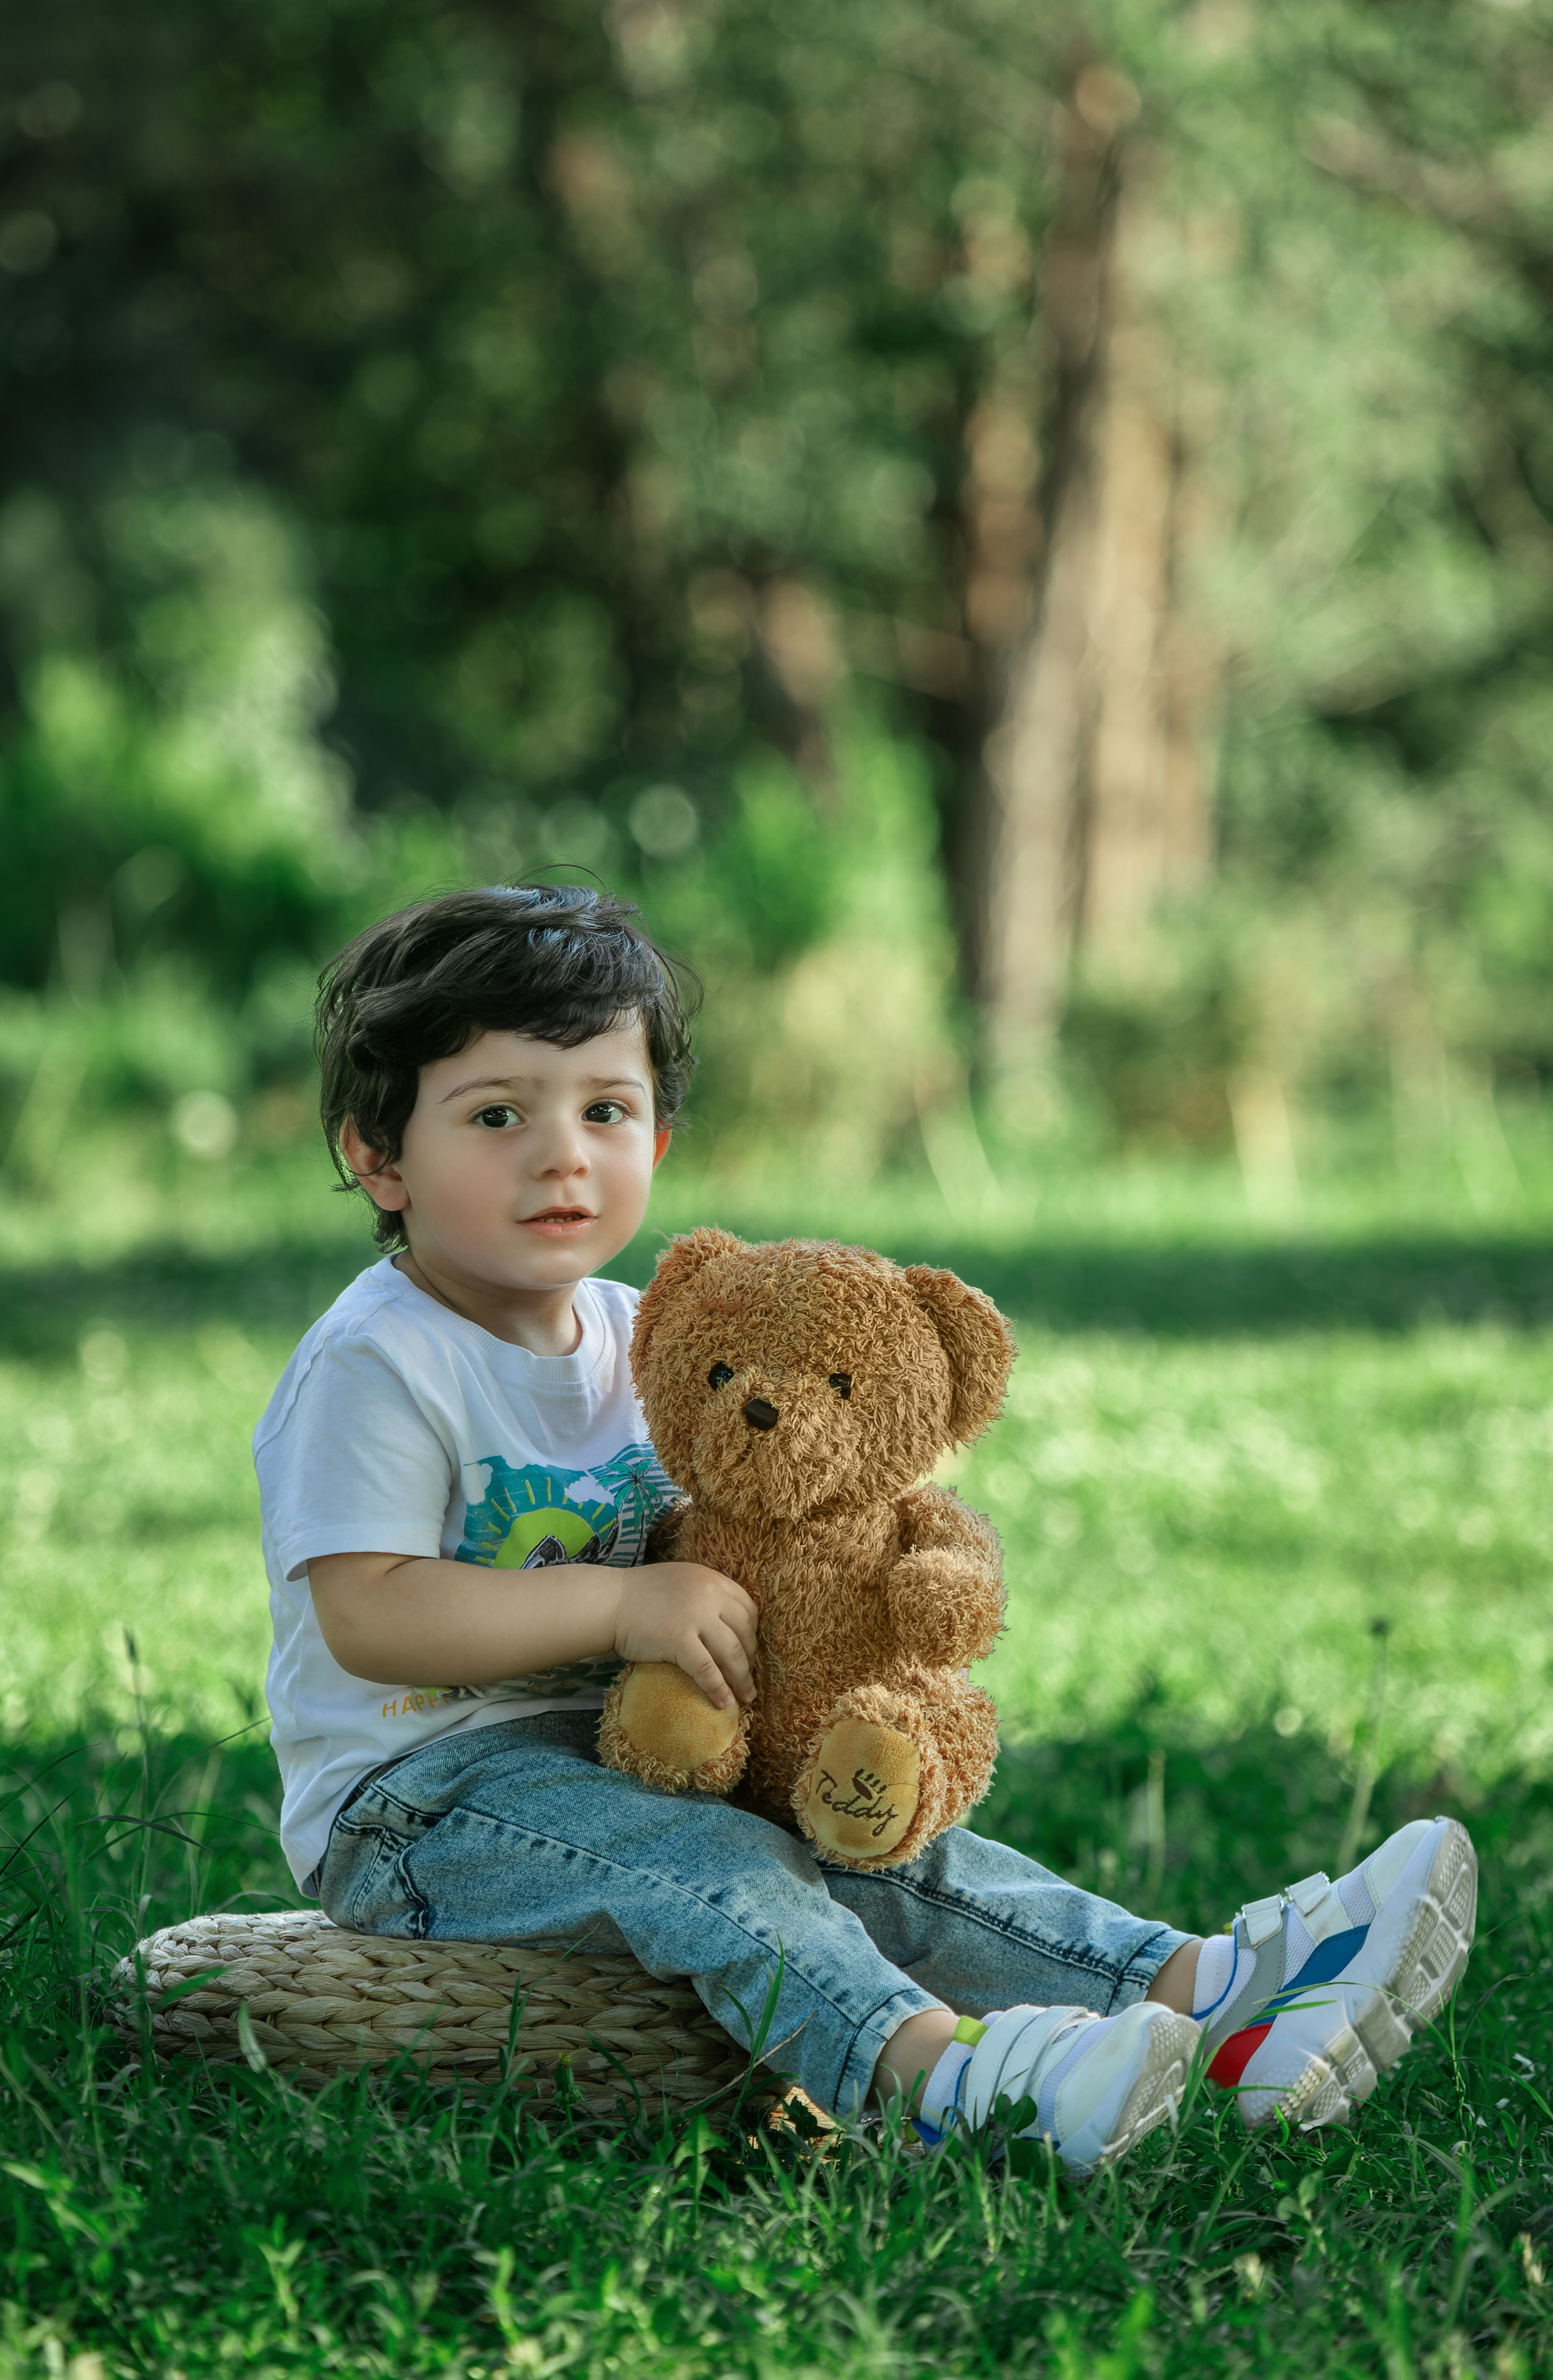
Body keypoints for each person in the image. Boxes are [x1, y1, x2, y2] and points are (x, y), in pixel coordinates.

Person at [253, 884, 1477, 2174]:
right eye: (497, 1115)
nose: (562, 1155)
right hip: (421, 1800)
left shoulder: (643, 1334)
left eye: (604, 1110)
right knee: (717, 1871)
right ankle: (937, 2082)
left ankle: (1209, 1995)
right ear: (379, 1158)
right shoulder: (379, 1361)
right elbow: (371, 1611)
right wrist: (621, 1608)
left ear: (657, 1139)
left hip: (646, 1751)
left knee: (881, 1842)